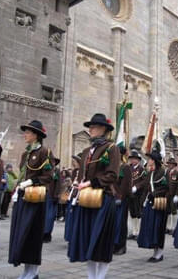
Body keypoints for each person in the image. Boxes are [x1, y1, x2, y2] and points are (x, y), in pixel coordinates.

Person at [67, 113, 119, 279]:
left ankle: (100, 276)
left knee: (101, 240)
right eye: (90, 126)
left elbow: (112, 175)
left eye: (94, 126)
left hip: (104, 198)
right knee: (87, 239)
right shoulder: (86, 151)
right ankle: (91, 276)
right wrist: (78, 185)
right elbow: (82, 175)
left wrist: (91, 183)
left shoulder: (112, 148)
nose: (90, 129)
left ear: (103, 129)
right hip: (86, 199)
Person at [8, 120, 54, 279]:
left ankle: (33, 272)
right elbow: (22, 173)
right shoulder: (25, 153)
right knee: (22, 234)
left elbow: (48, 176)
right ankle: (26, 270)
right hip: (23, 196)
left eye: (28, 132)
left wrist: (31, 182)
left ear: (36, 135)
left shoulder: (45, 152)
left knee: (32, 233)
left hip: (35, 198)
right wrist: (17, 188)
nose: (25, 135)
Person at [137, 149, 169, 262]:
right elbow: (146, 189)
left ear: (154, 160)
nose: (148, 160)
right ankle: (155, 252)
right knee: (151, 228)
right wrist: (141, 202)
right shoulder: (150, 173)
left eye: (150, 159)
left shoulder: (163, 172)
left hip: (159, 204)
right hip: (150, 204)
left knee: (158, 228)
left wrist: (154, 194)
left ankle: (159, 253)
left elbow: (165, 188)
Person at [113, 146, 132, 255]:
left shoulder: (125, 167)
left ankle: (121, 246)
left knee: (120, 223)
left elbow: (126, 185)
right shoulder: (114, 166)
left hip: (121, 199)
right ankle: (113, 244)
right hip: (113, 198)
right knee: (113, 223)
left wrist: (120, 196)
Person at [127, 150, 147, 240]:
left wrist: (137, 186)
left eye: (134, 159)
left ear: (138, 160)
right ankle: (132, 231)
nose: (132, 161)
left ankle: (138, 232)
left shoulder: (142, 169)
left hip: (138, 194)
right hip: (130, 193)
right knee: (132, 213)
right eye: (131, 159)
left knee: (138, 213)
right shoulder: (128, 168)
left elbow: (144, 181)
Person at [43, 158, 61, 243]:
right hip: (44, 195)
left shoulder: (56, 171)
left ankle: (47, 234)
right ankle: (42, 233)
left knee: (49, 217)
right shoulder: (46, 170)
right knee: (44, 216)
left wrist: (56, 195)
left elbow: (58, 184)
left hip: (51, 196)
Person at [64, 155, 79, 241]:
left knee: (74, 218)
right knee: (70, 218)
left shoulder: (81, 172)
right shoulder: (74, 172)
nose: (73, 163)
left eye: (75, 162)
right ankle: (69, 236)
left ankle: (73, 237)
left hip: (77, 197)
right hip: (72, 196)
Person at [166, 157, 178, 235]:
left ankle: (174, 227)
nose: (170, 165)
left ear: (174, 165)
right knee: (168, 210)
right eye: (169, 164)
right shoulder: (167, 172)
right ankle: (168, 227)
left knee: (173, 211)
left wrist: (177, 195)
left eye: (171, 164)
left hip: (174, 195)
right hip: (168, 195)